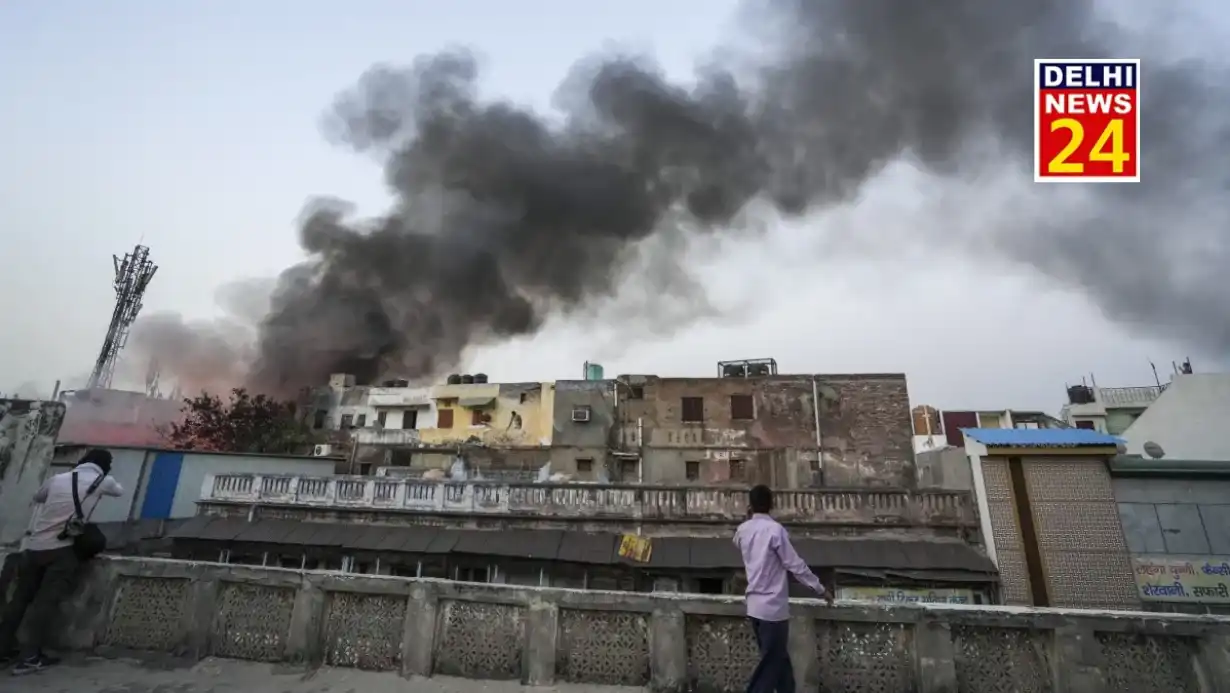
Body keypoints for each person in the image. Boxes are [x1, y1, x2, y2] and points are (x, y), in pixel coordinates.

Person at [0, 448, 123, 675]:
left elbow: (38, 497)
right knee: (44, 603)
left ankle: (3, 649)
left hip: (34, 547)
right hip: (62, 550)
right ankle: (29, 657)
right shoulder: (103, 481)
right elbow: (119, 492)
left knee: (19, 600)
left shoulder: (58, 479)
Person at [733, 484, 833, 693]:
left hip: (755, 609)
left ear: (750, 505)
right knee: (771, 665)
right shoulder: (775, 531)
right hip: (772, 609)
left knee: (779, 661)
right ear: (772, 504)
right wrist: (819, 588)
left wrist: (749, 517)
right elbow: (795, 565)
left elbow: (738, 541)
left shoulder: (743, 530)